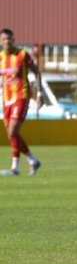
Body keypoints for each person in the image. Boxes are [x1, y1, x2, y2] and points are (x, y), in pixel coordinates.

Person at [0, 28, 42, 176]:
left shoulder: (22, 55)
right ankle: (29, 162)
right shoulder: (0, 58)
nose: (7, 41)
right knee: (12, 134)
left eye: (9, 38)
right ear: (0, 41)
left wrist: (39, 93)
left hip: (21, 96)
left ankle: (19, 166)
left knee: (12, 131)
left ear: (14, 39)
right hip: (6, 99)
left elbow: (36, 72)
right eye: (4, 39)